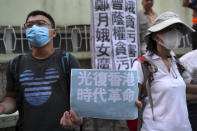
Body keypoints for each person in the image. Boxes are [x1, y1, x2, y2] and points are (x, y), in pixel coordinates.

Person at [0, 10, 82, 131]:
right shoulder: (15, 64)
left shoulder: (67, 60)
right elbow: (11, 99)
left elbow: (80, 99)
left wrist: (77, 119)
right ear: (25, 32)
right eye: (29, 25)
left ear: (53, 33)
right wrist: (2, 107)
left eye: (40, 23)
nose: (34, 28)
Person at [132, 11, 194, 131]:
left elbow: (178, 95)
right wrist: (134, 103)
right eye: (169, 29)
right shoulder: (142, 64)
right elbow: (132, 100)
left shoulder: (177, 63)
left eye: (177, 29)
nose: (175, 33)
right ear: (155, 36)